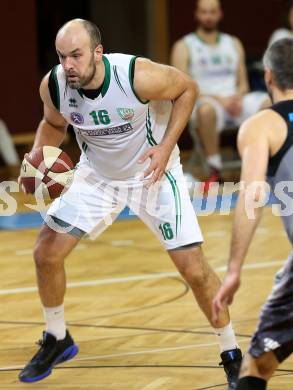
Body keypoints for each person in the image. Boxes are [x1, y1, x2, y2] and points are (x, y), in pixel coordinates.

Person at [18, 19, 242, 387]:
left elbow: (188, 89)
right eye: (62, 57)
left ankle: (231, 352)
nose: (68, 65)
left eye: (76, 55)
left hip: (152, 173)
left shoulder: (134, 75)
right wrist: (38, 162)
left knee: (195, 270)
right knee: (45, 253)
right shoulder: (55, 84)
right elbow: (53, 124)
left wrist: (167, 146)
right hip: (98, 177)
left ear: (98, 52)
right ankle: (57, 337)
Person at [213, 37, 293, 390]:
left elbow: (251, 198)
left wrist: (233, 271)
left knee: (256, 369)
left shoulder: (261, 126)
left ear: (269, 77)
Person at [171, 0, 269, 192]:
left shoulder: (233, 43)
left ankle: (263, 168)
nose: (208, 16)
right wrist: (220, 100)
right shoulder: (184, 46)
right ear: (197, 14)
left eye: (212, 12)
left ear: (220, 14)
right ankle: (215, 171)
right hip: (205, 102)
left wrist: (238, 97)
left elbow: (243, 83)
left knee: (267, 104)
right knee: (207, 110)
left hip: (235, 101)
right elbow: (181, 86)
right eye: (204, 12)